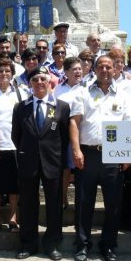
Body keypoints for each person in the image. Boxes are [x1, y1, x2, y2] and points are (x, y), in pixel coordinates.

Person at [70, 55, 131, 261]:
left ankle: (108, 245)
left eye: (109, 67)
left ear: (115, 69)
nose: (105, 70)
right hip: (88, 154)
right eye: (101, 67)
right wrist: (76, 150)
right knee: (83, 202)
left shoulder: (123, 95)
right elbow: (74, 123)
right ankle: (82, 245)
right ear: (95, 69)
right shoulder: (83, 92)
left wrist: (127, 154)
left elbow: (128, 125)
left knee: (113, 204)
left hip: (114, 155)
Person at [12, 66, 70, 261]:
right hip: (28, 161)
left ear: (49, 82)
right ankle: (28, 244)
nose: (39, 83)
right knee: (28, 205)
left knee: (54, 205)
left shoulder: (61, 106)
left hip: (52, 162)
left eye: (42, 79)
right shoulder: (21, 107)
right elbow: (16, 135)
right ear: (30, 83)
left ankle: (52, 244)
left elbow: (65, 137)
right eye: (35, 80)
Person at [0, 58, 26, 233]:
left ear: (12, 73)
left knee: (14, 185)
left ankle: (13, 218)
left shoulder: (21, 93)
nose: (4, 74)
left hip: (15, 145)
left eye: (7, 71)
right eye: (0, 71)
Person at [54, 57, 83, 210]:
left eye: (80, 68)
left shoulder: (88, 87)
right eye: (74, 69)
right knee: (64, 167)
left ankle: (82, 201)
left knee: (81, 169)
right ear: (66, 72)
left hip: (83, 133)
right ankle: (63, 198)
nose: (78, 72)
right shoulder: (58, 89)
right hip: (63, 133)